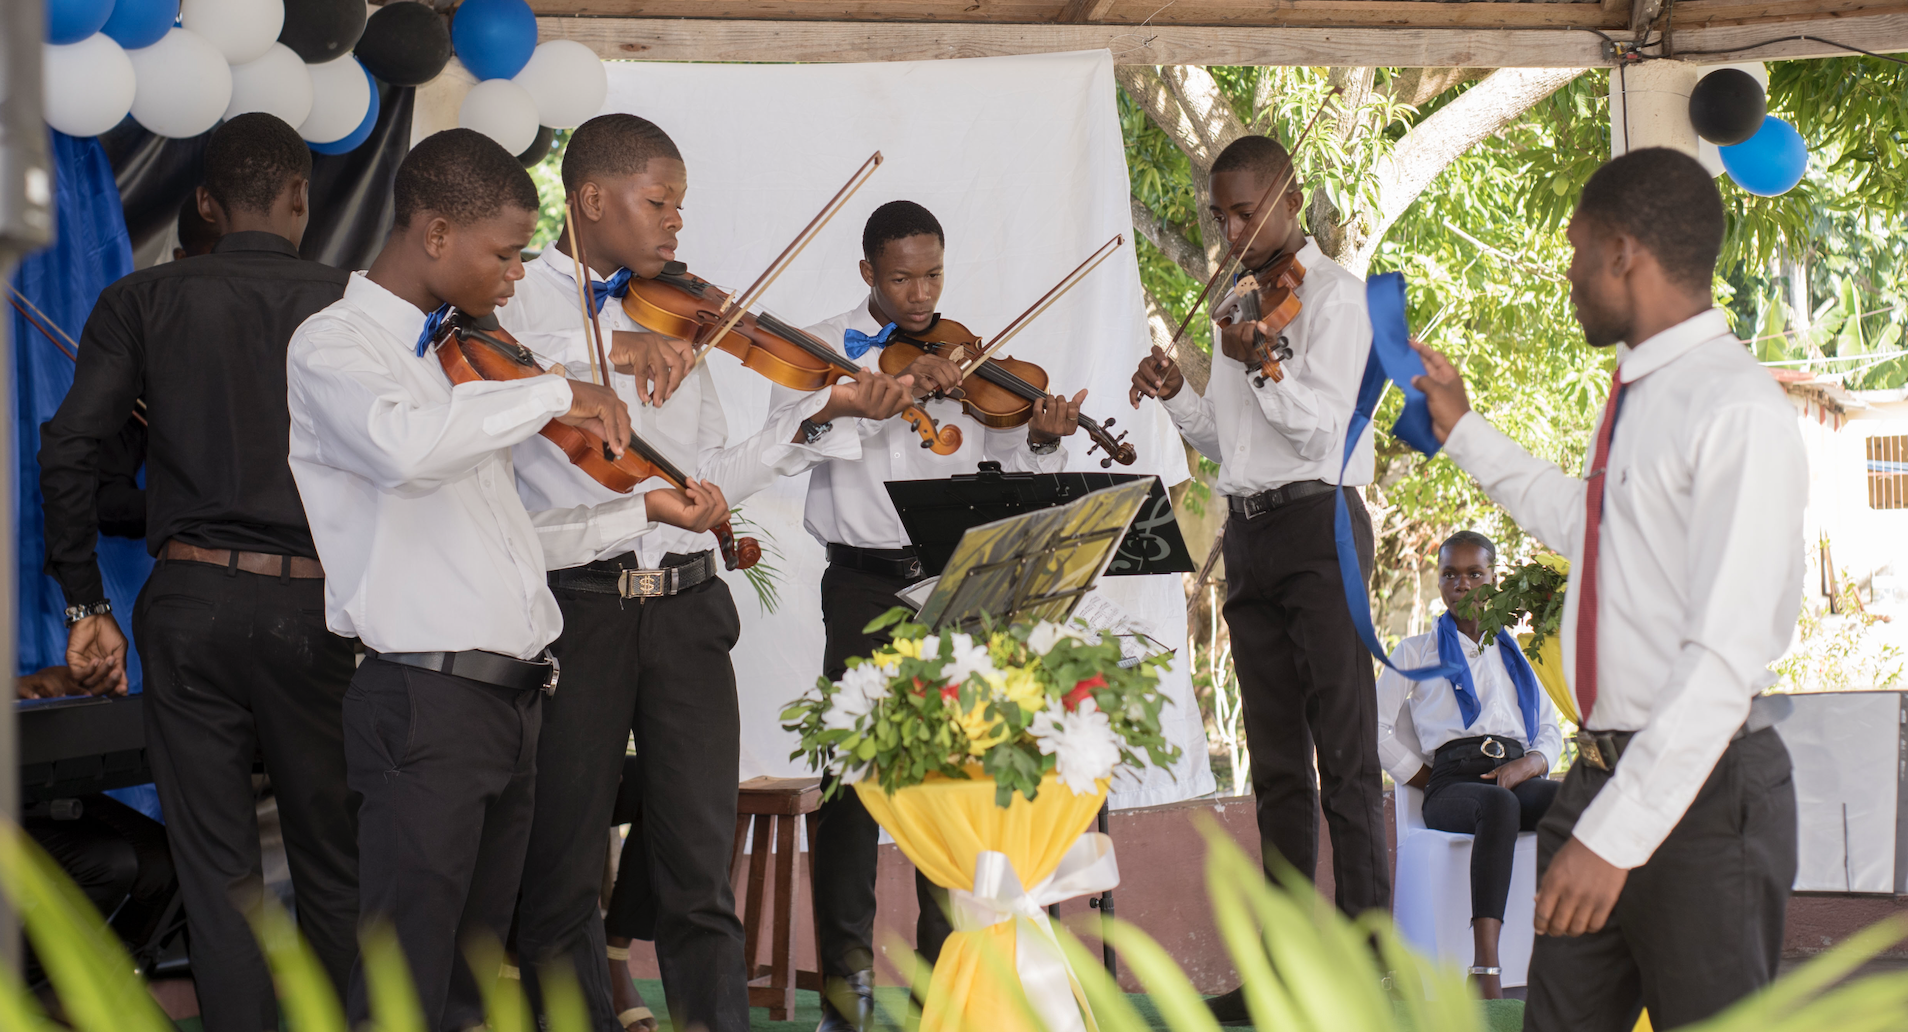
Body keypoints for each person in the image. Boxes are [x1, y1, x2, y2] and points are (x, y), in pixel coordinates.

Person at [285, 127, 721, 1032]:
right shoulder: (334, 346)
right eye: (507, 254)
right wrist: (555, 388)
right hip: (425, 702)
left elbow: (515, 537)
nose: (519, 275)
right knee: (403, 986)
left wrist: (638, 513)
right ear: (436, 234)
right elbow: (406, 451)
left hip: (510, 706)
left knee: (468, 988)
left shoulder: (464, 359)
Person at [498, 113, 912, 1032]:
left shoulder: (676, 310)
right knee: (561, 867)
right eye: (659, 204)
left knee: (697, 865)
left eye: (680, 207)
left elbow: (717, 469)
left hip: (687, 609)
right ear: (592, 199)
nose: (675, 226)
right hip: (578, 609)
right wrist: (592, 358)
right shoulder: (516, 293)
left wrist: (821, 414)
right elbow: (488, 380)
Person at [1410, 147, 1806, 1030]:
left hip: (1701, 798)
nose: (1569, 274)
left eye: (1578, 249)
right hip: (1599, 779)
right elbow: (1586, 527)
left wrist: (1613, 839)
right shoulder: (1643, 392)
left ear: (1624, 251)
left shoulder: (1733, 409)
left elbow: (1721, 662)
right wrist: (1462, 429)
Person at [38, 112, 360, 1032]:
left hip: (186, 605)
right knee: (334, 857)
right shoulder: (354, 303)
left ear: (208, 205)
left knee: (218, 871)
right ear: (302, 198)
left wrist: (84, 600)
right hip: (318, 606)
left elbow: (68, 456)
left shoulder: (142, 301)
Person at [770, 199, 1084, 1031]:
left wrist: (1044, 441)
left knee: (960, 775)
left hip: (958, 585)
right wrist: (886, 392)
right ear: (868, 272)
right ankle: (847, 985)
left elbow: (1002, 453)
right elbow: (786, 442)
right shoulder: (819, 349)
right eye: (902, 276)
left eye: (933, 274)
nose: (920, 293)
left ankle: (952, 979)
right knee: (854, 780)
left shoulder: (967, 354)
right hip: (865, 586)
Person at [1127, 134, 1384, 1022]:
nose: (1233, 229)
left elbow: (1319, 432)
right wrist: (1176, 392)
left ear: (1291, 199)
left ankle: (1366, 965)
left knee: (1348, 757)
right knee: (1277, 766)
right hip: (1253, 533)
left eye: (1246, 211)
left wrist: (1264, 363)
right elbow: (1228, 446)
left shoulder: (1337, 299)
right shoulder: (1239, 306)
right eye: (1221, 215)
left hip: (1323, 526)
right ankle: (1279, 969)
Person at [1376, 531, 1561, 999]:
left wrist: (1532, 764)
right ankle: (1486, 970)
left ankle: (1563, 953)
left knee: (1574, 798)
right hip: (1454, 784)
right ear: (1438, 583)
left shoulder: (1519, 653)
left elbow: (1551, 731)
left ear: (1493, 580)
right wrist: (1423, 780)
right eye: (1450, 575)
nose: (1462, 584)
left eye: (1474, 574)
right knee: (1497, 806)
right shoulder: (1415, 653)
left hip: (1515, 773)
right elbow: (1372, 727)